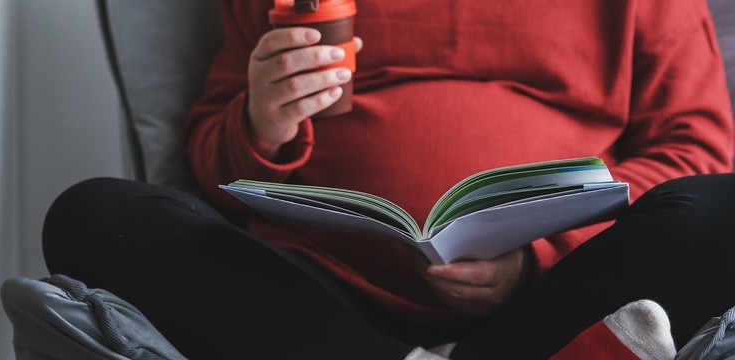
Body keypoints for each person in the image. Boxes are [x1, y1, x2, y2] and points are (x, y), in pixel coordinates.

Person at [42, 0, 735, 358]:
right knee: (93, 213)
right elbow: (210, 162)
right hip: (316, 289)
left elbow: (699, 148)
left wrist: (538, 256)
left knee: (724, 213)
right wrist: (260, 122)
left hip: (556, 288)